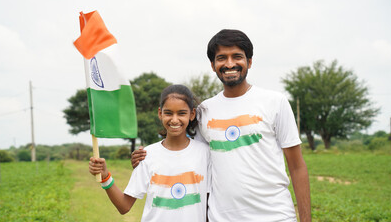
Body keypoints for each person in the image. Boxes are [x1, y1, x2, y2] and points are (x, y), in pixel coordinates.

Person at [132, 29, 311, 222]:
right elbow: (191, 160)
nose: (230, 63)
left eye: (237, 57)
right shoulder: (204, 111)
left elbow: (297, 167)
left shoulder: (275, 102)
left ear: (249, 61)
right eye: (221, 58)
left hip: (276, 216)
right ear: (213, 65)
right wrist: (146, 159)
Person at [89, 84, 211, 222]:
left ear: (192, 114)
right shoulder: (147, 155)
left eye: (182, 113)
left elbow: (208, 207)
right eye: (168, 113)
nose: (174, 119)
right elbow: (124, 206)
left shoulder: (205, 153)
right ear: (160, 113)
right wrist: (105, 177)